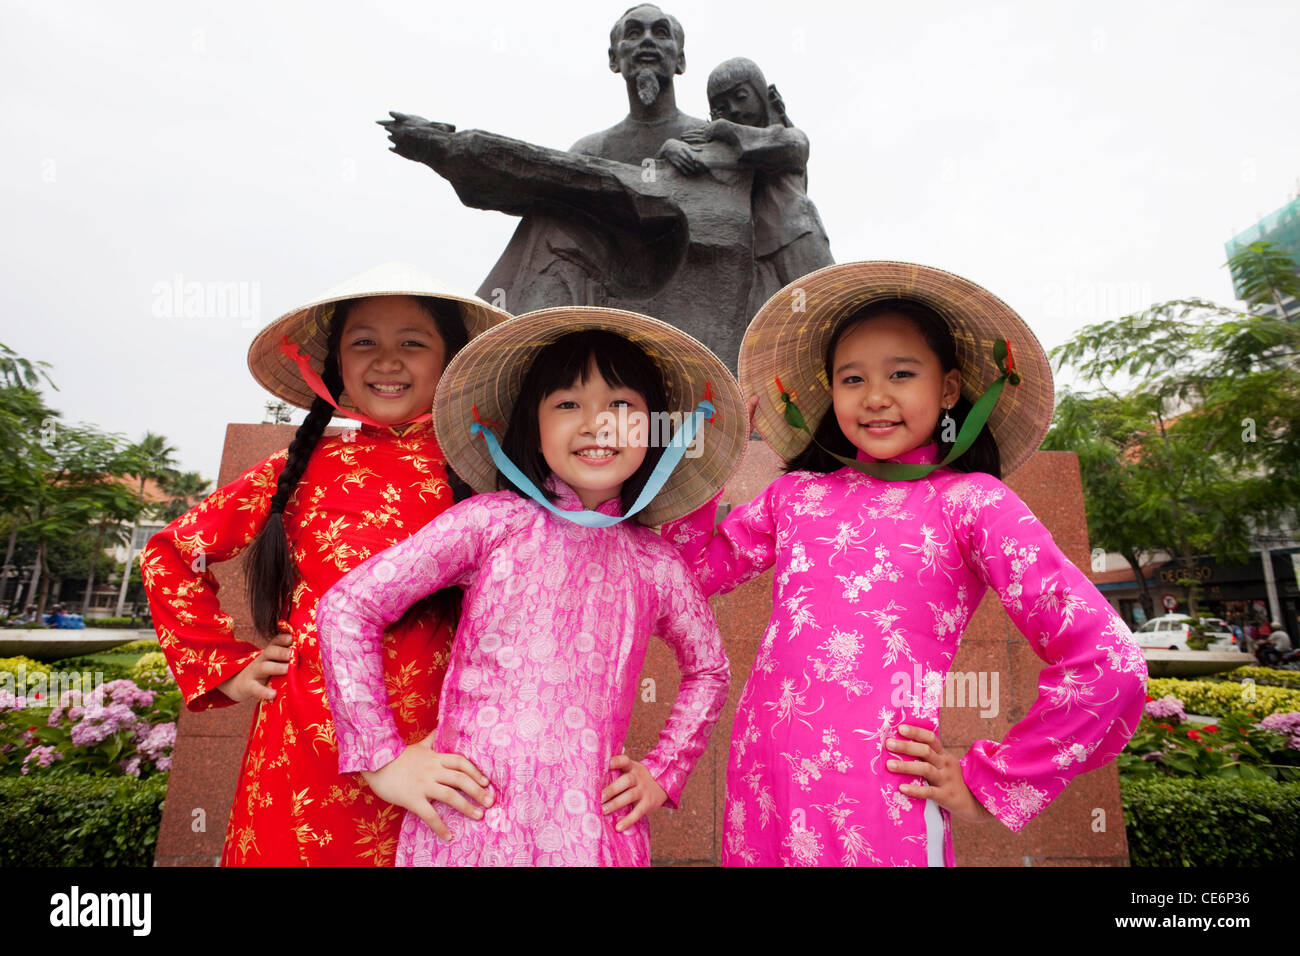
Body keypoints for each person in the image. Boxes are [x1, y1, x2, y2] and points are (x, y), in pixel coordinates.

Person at [661, 261, 1149, 866]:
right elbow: (687, 579)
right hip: (761, 784)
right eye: (852, 379)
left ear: (947, 390)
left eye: (901, 373)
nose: (875, 397)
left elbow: (1110, 660)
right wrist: (712, 467)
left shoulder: (973, 504)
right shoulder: (797, 495)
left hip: (878, 801)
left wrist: (992, 781)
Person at [316, 307, 748, 865]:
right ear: (533, 426)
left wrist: (664, 770)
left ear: (659, 430)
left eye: (622, 405)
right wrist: (382, 758)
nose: (597, 423)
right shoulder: (491, 522)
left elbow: (710, 669)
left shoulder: (655, 563)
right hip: (469, 831)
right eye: (568, 404)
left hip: (593, 839)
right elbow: (348, 608)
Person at [139, 263, 511, 865]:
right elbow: (172, 554)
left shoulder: (493, 475)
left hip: (449, 754)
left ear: (452, 361)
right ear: (335, 364)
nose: (387, 361)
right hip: (305, 756)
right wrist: (224, 666)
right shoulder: (301, 468)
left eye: (413, 342)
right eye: (364, 342)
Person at [664, 57, 834, 318]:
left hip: (796, 238)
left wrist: (724, 129)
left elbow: (788, 147)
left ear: (761, 94)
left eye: (741, 96)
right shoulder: (726, 146)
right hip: (752, 254)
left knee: (825, 313)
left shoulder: (788, 138)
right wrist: (669, 149)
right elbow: (696, 166)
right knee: (763, 334)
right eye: (721, 108)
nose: (732, 109)